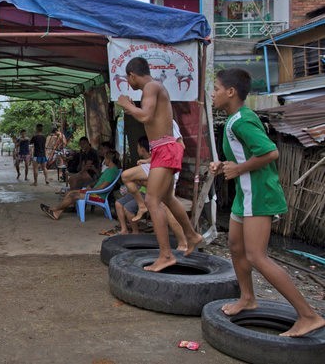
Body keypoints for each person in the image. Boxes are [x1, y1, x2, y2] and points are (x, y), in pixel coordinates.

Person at [210, 68, 325, 337]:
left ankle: (309, 315)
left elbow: (270, 152)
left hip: (259, 194)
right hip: (245, 195)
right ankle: (248, 298)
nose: (212, 93)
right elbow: (246, 156)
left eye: (215, 88)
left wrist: (237, 169)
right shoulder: (234, 119)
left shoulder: (242, 121)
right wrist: (224, 166)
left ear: (230, 92)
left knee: (256, 256)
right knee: (236, 247)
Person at [117, 56, 202, 271]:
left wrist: (127, 105)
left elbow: (145, 116)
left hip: (165, 148)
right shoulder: (156, 87)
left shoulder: (151, 86)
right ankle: (191, 235)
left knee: (153, 201)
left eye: (129, 80)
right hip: (162, 149)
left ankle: (165, 255)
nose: (130, 85)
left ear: (132, 75)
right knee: (166, 198)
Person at [124, 121, 184, 222]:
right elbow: (158, 153)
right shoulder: (153, 124)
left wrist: (169, 164)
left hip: (166, 166)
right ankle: (142, 205)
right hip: (159, 164)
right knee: (128, 177)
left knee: (167, 209)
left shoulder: (169, 123)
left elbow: (181, 146)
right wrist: (147, 161)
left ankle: (188, 236)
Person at [40, 151, 121, 220]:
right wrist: (90, 187)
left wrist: (88, 190)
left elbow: (102, 187)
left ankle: (53, 209)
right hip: (94, 192)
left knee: (73, 195)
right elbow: (100, 182)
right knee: (70, 193)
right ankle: (56, 213)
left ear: (109, 159)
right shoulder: (110, 170)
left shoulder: (112, 171)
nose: (104, 161)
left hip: (98, 195)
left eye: (105, 159)